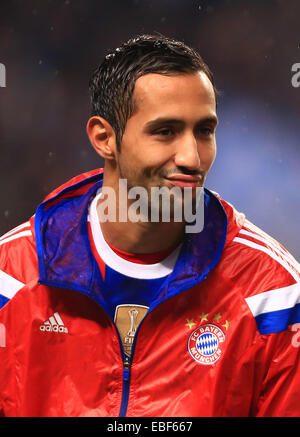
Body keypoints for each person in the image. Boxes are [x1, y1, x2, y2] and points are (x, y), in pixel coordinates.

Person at [0, 34, 299, 418]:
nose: (193, 157)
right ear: (104, 138)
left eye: (205, 131)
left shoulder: (272, 295)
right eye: (166, 131)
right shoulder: (11, 281)